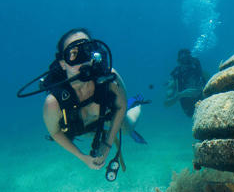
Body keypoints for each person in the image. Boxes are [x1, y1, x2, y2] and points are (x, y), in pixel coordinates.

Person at [42, 28, 142, 171]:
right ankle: (102, 132)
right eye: (73, 54)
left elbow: (121, 105)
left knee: (127, 128)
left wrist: (107, 144)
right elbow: (55, 132)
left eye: (86, 50)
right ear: (62, 63)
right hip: (81, 128)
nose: (82, 59)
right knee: (85, 133)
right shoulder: (53, 103)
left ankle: (137, 103)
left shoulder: (109, 78)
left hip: (105, 117)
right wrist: (83, 157)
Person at [163, 49, 208, 117]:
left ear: (193, 60)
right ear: (179, 62)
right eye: (185, 60)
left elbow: (215, 86)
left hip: (207, 107)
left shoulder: (202, 74)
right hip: (191, 112)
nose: (188, 63)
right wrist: (179, 95)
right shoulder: (175, 82)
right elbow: (166, 104)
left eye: (190, 60)